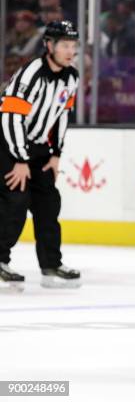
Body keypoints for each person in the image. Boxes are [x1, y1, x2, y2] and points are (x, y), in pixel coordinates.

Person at [0, 21, 80, 290]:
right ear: (49, 45)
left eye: (73, 46)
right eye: (65, 45)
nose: (70, 51)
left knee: (48, 203)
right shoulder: (30, 74)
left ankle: (51, 264)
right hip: (8, 144)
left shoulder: (72, 77)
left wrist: (55, 153)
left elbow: (61, 117)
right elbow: (10, 117)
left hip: (38, 150)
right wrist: (20, 159)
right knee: (15, 200)